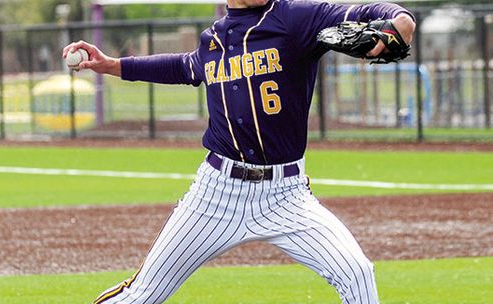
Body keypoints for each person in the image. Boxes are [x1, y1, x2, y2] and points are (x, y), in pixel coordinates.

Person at [63, 1, 415, 303]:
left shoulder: (296, 18)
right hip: (215, 195)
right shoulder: (213, 40)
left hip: (286, 195)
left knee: (357, 273)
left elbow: (374, 11)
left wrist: (399, 20)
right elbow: (182, 67)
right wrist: (111, 65)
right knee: (143, 295)